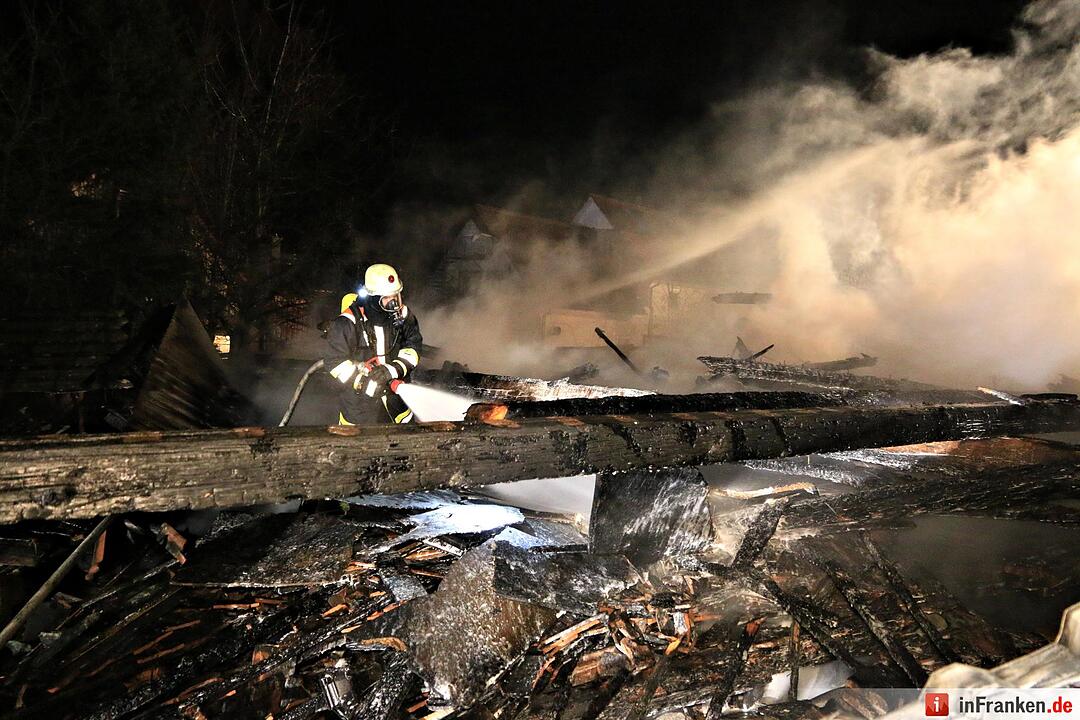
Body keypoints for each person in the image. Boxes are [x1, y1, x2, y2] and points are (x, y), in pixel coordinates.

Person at [324, 263, 422, 424]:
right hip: (360, 408)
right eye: (387, 298)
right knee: (361, 447)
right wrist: (361, 382)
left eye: (396, 296)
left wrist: (393, 370)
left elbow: (413, 347)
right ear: (373, 298)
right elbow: (334, 362)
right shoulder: (347, 323)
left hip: (396, 404)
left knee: (405, 444)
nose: (394, 303)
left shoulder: (403, 316)